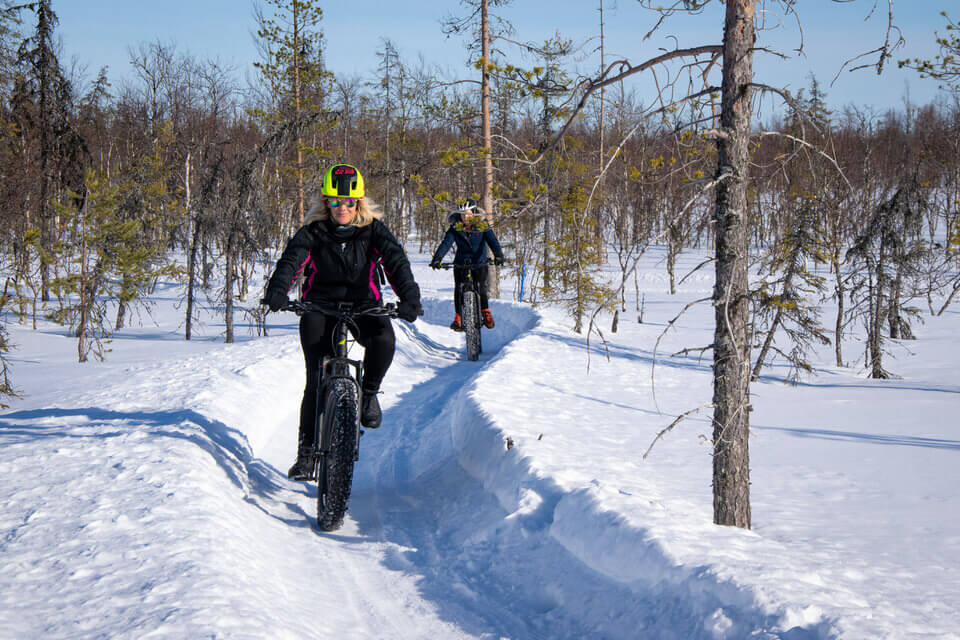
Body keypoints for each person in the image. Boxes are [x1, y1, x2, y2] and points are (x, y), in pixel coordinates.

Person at [262, 164, 422, 480]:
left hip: (364, 305)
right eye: (335, 202)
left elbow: (396, 263)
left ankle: (369, 394)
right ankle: (306, 453)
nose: (342, 208)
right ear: (326, 202)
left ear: (359, 202)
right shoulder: (313, 232)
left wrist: (410, 298)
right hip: (319, 305)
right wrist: (277, 291)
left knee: (384, 341)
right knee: (316, 377)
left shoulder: (374, 230)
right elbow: (290, 262)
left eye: (349, 202)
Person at [429, 198, 504, 330]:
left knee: (481, 287)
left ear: (474, 212)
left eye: (468, 213)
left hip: (479, 261)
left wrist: (498, 254)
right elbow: (446, 243)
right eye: (462, 214)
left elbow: (492, 240)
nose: (465, 217)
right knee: (458, 288)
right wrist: (437, 258)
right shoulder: (455, 227)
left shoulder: (482, 225)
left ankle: (486, 312)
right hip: (461, 262)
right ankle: (458, 317)